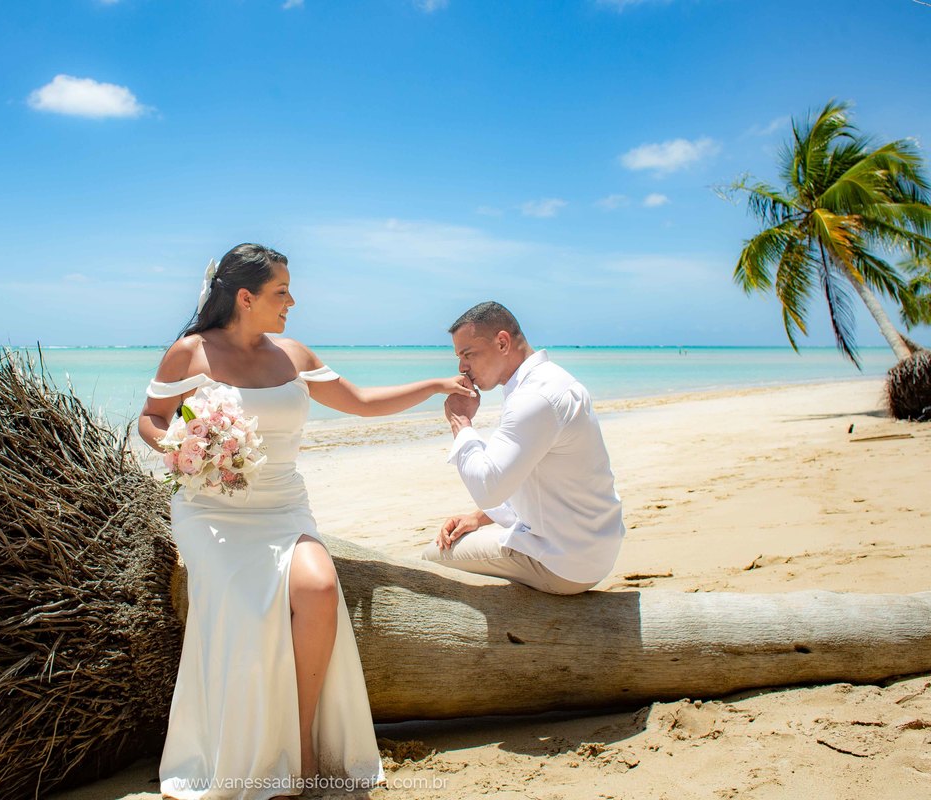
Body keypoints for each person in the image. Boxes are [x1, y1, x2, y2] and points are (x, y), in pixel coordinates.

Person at [138, 244, 473, 799]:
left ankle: (303, 746)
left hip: (283, 505)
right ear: (245, 298)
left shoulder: (293, 354)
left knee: (319, 589)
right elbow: (151, 418)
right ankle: (239, 756)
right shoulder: (189, 353)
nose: (292, 300)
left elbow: (362, 400)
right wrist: (179, 444)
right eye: (281, 291)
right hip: (211, 510)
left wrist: (436, 386)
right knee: (245, 611)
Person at [421, 301, 625, 595]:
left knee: (431, 559)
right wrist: (477, 518)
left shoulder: (534, 397)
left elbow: (489, 487)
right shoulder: (552, 380)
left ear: (502, 342)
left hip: (565, 563)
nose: (462, 367)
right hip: (593, 547)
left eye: (468, 355)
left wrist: (460, 421)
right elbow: (531, 481)